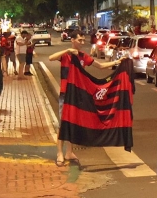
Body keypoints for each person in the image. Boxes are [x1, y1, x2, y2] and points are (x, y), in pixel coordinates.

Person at [48, 34, 118, 166]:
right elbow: (51, 57)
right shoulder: (66, 55)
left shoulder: (83, 56)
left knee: (73, 123)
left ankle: (69, 152)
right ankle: (59, 153)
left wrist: (117, 62)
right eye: (79, 40)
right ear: (72, 40)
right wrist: (67, 50)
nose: (82, 42)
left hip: (77, 94)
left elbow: (100, 66)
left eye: (83, 40)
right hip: (66, 94)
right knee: (63, 124)